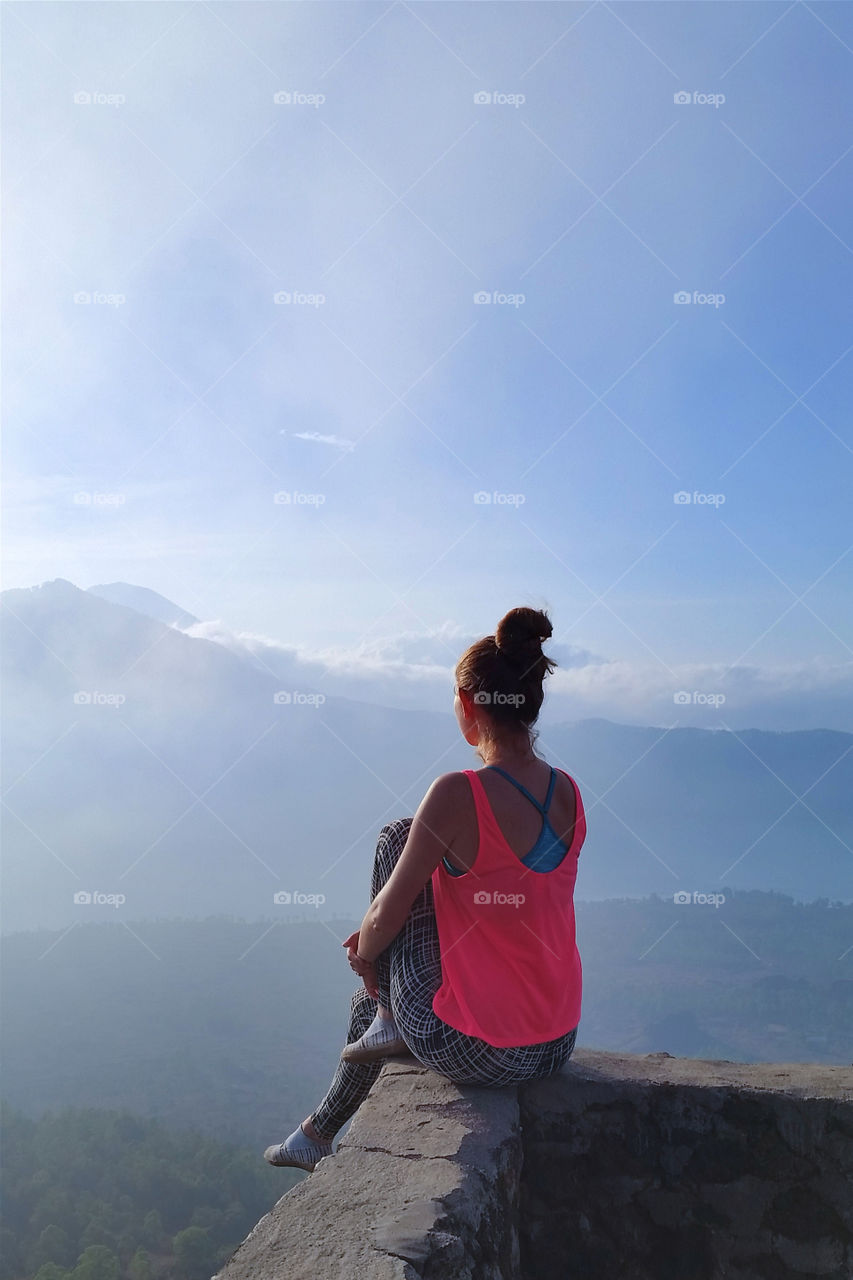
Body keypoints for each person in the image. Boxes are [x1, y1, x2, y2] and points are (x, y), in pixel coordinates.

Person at [264, 606, 586, 1172]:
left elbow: (387, 916)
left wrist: (367, 955)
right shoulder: (568, 794)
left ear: (467, 707)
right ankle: (315, 1131)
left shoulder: (458, 794)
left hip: (481, 1048)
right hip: (556, 1041)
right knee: (381, 982)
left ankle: (375, 1032)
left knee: (396, 839)